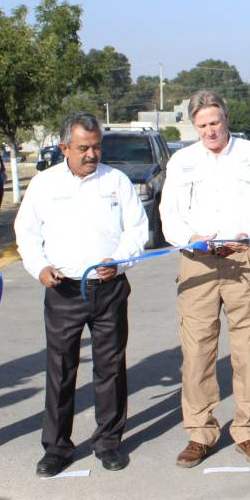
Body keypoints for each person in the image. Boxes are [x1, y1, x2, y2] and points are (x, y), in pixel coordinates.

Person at [15, 112, 148, 477]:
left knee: (110, 368)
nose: (92, 154)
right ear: (64, 148)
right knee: (61, 370)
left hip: (108, 290)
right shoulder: (44, 184)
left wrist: (119, 261)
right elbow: (26, 231)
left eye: (96, 147)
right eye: (83, 148)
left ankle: (108, 442)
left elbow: (137, 230)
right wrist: (39, 267)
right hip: (63, 290)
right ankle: (57, 447)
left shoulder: (116, 181)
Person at [159, 91, 250, 468]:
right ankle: (200, 432)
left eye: (215, 122)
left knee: (248, 353)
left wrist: (246, 235)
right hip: (198, 263)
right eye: (202, 125)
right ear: (193, 126)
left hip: (243, 260)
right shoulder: (182, 161)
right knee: (197, 353)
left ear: (226, 120)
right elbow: (169, 214)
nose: (210, 130)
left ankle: (247, 431)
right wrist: (189, 239)